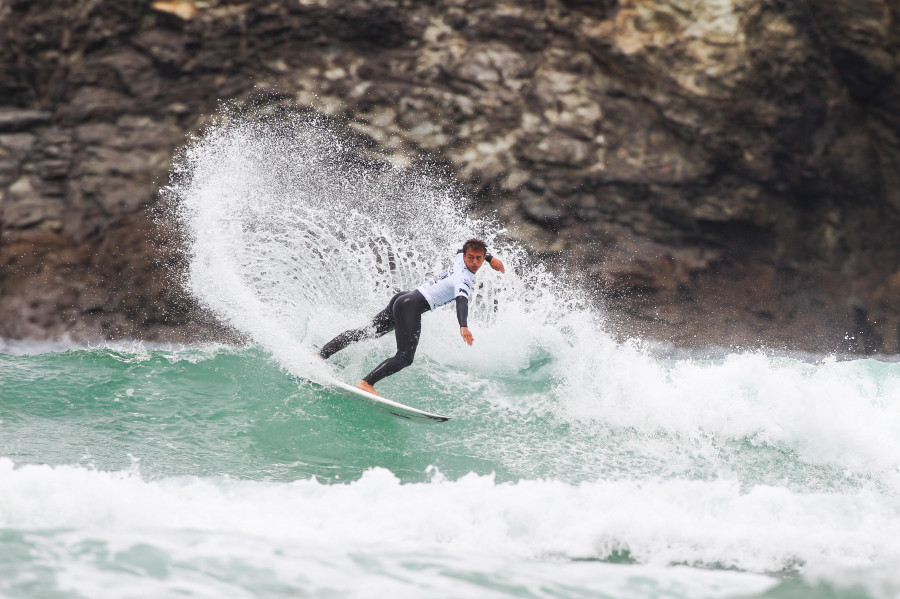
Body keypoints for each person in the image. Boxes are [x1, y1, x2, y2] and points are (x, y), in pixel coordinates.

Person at [318, 238, 505, 395]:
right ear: (465, 256)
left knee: (367, 332)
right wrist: (463, 325)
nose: (474, 262)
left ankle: (321, 354)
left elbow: (462, 250)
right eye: (470, 257)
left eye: (478, 259)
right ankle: (366, 383)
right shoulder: (463, 278)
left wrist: (490, 258)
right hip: (411, 306)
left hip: (403, 298)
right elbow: (461, 301)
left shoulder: (459, 259)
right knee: (405, 357)